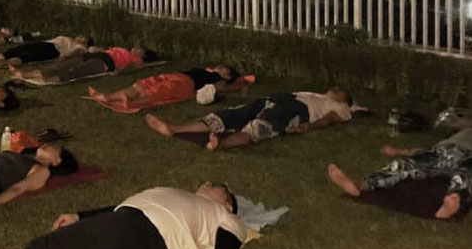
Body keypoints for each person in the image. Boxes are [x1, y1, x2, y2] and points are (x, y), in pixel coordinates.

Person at [23, 183, 246, 249]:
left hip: (153, 236)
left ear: (228, 204)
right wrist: (79, 216)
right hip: (119, 220)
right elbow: (124, 206)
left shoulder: (225, 216)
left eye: (215, 186)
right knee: (40, 247)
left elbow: (228, 244)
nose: (206, 183)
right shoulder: (176, 194)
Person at [326, 127, 472, 219]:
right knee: (405, 165)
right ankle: (358, 184)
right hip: (445, 151)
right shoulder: (465, 131)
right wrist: (397, 151)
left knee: (465, 173)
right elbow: (423, 151)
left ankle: (450, 204)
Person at [145, 88, 353, 151]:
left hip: (295, 110)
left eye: (340, 91)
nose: (335, 89)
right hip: (274, 97)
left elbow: (330, 119)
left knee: (259, 127)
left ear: (345, 99)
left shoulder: (341, 108)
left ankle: (223, 143)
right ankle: (174, 128)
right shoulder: (319, 94)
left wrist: (310, 126)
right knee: (232, 114)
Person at [87, 65, 239, 110]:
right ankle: (110, 96)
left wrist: (224, 83)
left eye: (225, 69)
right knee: (146, 83)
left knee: (160, 91)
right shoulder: (208, 71)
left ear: (228, 76)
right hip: (176, 74)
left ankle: (133, 102)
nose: (221, 67)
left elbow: (219, 89)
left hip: (186, 84)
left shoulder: (220, 79)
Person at [11, 47, 158, 84]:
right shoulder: (125, 50)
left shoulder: (138, 60)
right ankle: (30, 74)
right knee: (67, 64)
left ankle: (53, 78)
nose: (136, 48)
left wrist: (119, 71)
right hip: (99, 56)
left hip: (105, 62)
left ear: (143, 54)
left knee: (78, 70)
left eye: (140, 50)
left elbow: (130, 67)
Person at [0, 35, 92, 67]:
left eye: (84, 38)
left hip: (55, 51)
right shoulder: (68, 38)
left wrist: (67, 58)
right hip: (47, 44)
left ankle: (5, 62)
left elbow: (81, 52)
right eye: (81, 36)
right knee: (21, 48)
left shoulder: (80, 47)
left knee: (29, 56)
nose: (80, 37)